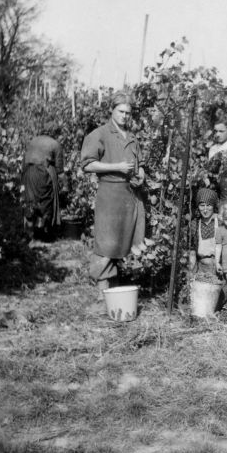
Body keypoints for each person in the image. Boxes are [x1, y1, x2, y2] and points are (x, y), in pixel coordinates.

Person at [80, 91, 145, 299]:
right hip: (109, 193)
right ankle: (102, 292)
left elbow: (139, 163)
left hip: (129, 195)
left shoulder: (132, 138)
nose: (125, 116)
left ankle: (114, 289)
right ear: (112, 111)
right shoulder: (99, 134)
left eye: (128, 113)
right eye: (121, 111)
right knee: (106, 242)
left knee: (122, 241)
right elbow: (88, 165)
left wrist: (141, 173)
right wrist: (116, 166)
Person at [21, 129, 65, 241]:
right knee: (46, 201)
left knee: (30, 201)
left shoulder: (32, 141)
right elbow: (60, 171)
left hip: (28, 173)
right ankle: (45, 234)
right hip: (44, 174)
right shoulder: (55, 144)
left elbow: (24, 160)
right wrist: (65, 185)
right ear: (54, 133)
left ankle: (30, 234)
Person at [188, 188, 219, 276]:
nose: (205, 210)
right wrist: (191, 273)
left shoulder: (221, 221)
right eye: (202, 205)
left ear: (214, 206)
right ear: (198, 206)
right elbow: (192, 252)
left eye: (209, 205)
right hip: (202, 269)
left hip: (221, 267)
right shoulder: (195, 224)